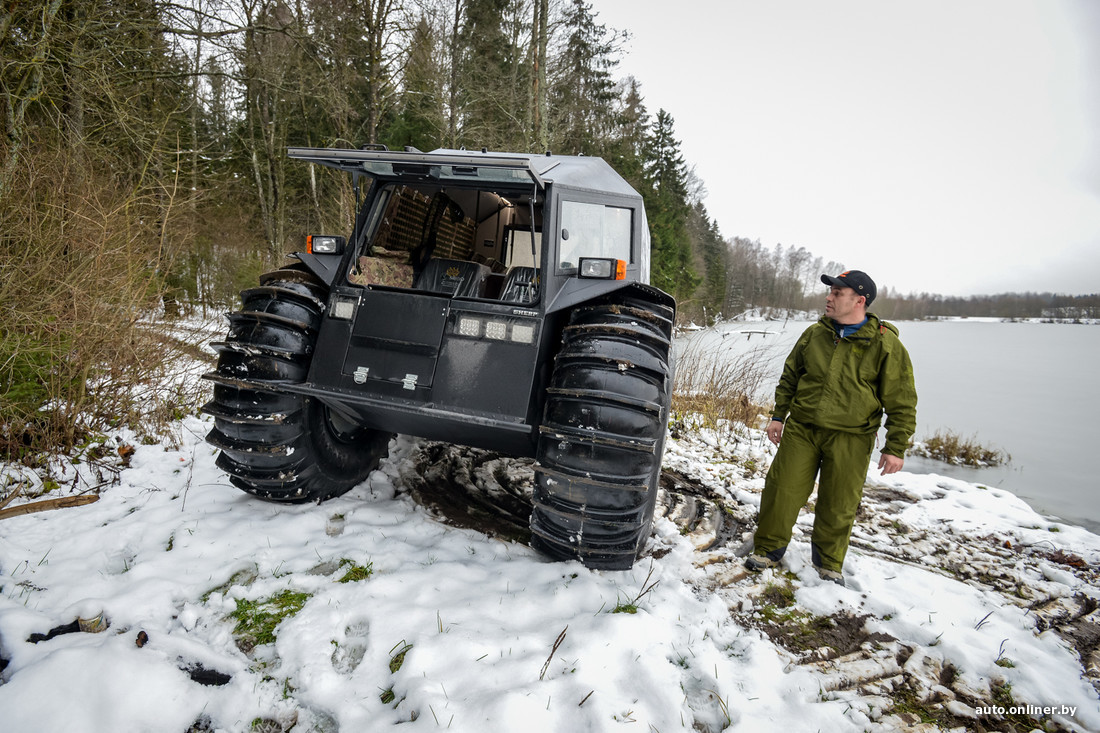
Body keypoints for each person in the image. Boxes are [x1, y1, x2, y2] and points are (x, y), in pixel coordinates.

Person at [745, 270, 917, 586]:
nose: (829, 297)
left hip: (852, 437)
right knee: (781, 490)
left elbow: (902, 399)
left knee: (839, 502)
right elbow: (791, 376)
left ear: (860, 300)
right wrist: (778, 415)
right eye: (830, 291)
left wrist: (896, 446)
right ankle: (768, 550)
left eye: (838, 292)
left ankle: (828, 563)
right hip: (803, 429)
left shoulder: (885, 344)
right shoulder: (815, 335)